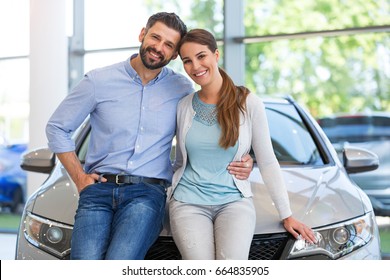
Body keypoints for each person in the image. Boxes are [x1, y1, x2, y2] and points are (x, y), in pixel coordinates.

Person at [46, 13, 253, 260]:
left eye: (169, 45)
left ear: (175, 54)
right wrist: (80, 178)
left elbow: (208, 133)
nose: (158, 48)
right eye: (155, 37)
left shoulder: (182, 90)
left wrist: (244, 156)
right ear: (142, 34)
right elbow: (57, 127)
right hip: (98, 190)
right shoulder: (98, 81)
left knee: (119, 262)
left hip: (147, 193)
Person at [169, 29, 317, 260]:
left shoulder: (248, 103)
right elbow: (180, 162)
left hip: (234, 203)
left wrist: (286, 214)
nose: (195, 66)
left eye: (201, 56)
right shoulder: (183, 107)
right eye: (187, 61)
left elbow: (267, 160)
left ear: (216, 55)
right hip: (187, 203)